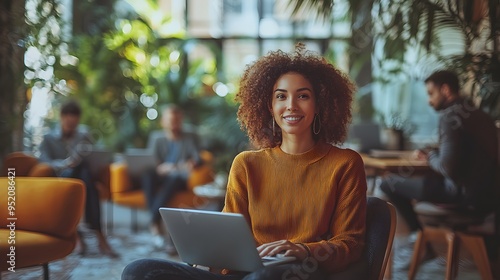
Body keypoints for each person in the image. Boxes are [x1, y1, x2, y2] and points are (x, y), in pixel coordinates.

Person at [122, 44, 367, 280]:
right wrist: (210, 255)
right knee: (138, 270)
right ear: (270, 107)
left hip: (298, 270)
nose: (291, 105)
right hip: (247, 270)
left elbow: (350, 244)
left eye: (303, 96)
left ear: (319, 105)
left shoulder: (344, 163)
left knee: (265, 276)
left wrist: (303, 249)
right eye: (281, 96)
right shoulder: (246, 164)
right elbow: (230, 236)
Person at [380, 70, 498, 249]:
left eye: (431, 94)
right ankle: (424, 240)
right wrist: (436, 153)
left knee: (387, 182)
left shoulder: (450, 116)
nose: (429, 100)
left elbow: (447, 167)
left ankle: (422, 240)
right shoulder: (482, 116)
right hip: (488, 199)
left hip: (460, 197)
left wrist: (431, 157)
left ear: (445, 89)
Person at [38, 100, 117, 257]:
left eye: (75, 122)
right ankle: (99, 236)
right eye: (69, 122)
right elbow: (44, 162)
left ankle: (80, 236)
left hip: (83, 177)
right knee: (84, 175)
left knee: (84, 170)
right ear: (62, 118)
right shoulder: (48, 138)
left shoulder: (84, 134)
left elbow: (92, 155)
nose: (72, 125)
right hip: (61, 178)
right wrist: (66, 163)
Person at [141, 105, 202, 252]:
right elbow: (151, 161)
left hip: (179, 177)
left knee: (174, 178)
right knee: (148, 174)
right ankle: (156, 223)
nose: (174, 124)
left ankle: (153, 221)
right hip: (162, 175)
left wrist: (192, 163)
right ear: (163, 121)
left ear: (181, 121)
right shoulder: (157, 138)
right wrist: (160, 167)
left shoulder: (189, 136)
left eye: (177, 120)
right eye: (171, 120)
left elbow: (198, 158)